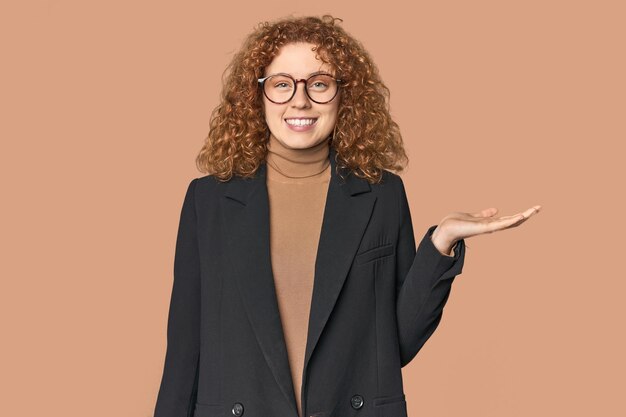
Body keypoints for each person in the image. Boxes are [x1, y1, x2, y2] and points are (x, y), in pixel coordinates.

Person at [153, 14, 541, 417]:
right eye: (281, 84)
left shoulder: (381, 194)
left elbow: (396, 345)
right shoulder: (209, 200)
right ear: (257, 96)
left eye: (319, 84)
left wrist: (440, 245)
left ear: (344, 95)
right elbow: (185, 351)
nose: (299, 100)